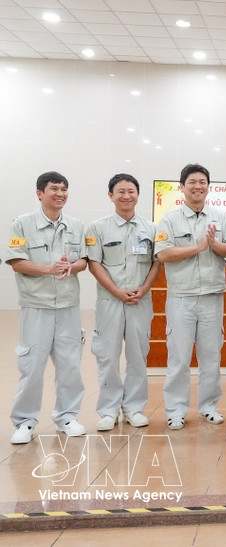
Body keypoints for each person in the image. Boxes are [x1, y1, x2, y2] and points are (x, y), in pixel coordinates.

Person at [155, 163, 226, 430]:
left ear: (208, 186)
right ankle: (176, 409)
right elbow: (163, 254)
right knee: (178, 357)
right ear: (182, 187)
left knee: (211, 356)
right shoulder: (169, 219)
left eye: (202, 182)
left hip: (212, 297)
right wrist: (198, 247)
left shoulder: (220, 217)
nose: (198, 186)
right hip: (181, 297)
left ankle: (208, 406)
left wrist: (214, 245)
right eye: (192, 182)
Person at [7, 171, 87, 444]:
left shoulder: (76, 225)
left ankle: (67, 416)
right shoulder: (22, 224)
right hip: (36, 305)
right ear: (40, 193)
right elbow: (16, 261)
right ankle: (25, 422)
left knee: (70, 365)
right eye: (54, 188)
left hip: (68, 305)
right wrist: (48, 270)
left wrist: (70, 267)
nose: (60, 194)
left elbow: (83, 262)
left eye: (64, 189)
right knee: (32, 365)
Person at [86, 174, 161, 431]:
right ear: (111, 196)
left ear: (138, 195)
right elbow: (94, 264)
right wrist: (117, 291)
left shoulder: (151, 228)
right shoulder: (97, 227)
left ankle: (134, 408)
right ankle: (108, 409)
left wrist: (145, 288)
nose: (126, 196)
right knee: (107, 355)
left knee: (138, 355)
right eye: (120, 191)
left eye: (131, 191)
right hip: (110, 301)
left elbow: (156, 262)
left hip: (140, 301)